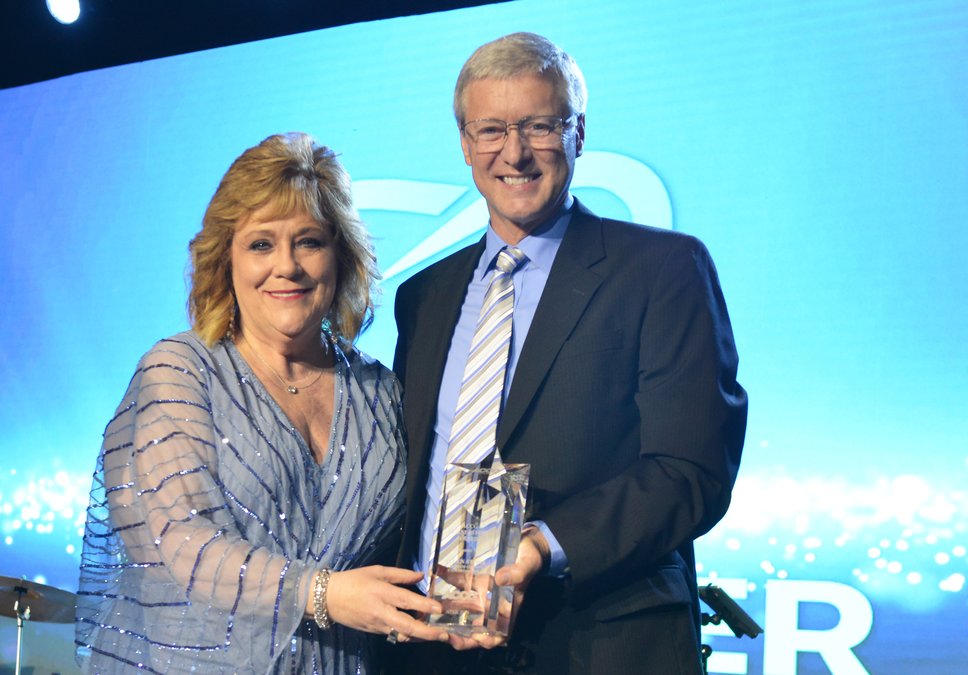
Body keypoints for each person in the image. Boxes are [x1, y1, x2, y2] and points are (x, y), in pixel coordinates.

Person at [388, 33, 748, 675]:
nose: (515, 153)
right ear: (466, 144)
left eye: (539, 126)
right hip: (432, 648)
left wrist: (541, 546)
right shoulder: (423, 296)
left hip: (597, 644)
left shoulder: (662, 270)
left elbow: (690, 471)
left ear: (578, 133)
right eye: (491, 130)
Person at [75, 132, 449, 674]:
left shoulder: (380, 390)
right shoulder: (180, 371)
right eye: (260, 245)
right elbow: (183, 542)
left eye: (309, 242)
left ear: (341, 256)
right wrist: (323, 593)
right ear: (225, 259)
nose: (287, 266)